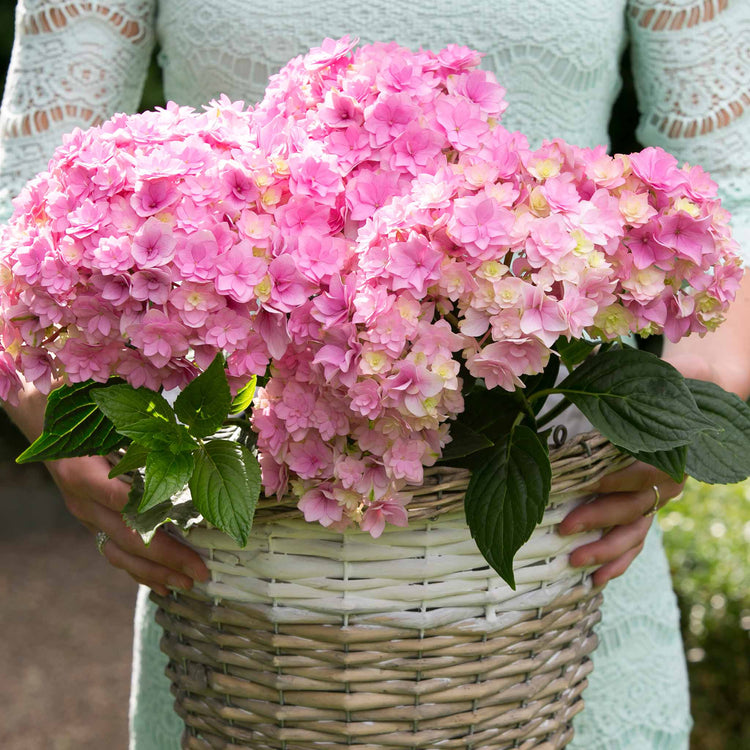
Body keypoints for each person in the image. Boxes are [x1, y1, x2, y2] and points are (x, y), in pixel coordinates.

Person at [0, 1, 748, 748]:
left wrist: (675, 428)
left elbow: (734, 173)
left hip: (561, 549)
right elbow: (29, 205)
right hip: (244, 574)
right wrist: (56, 418)